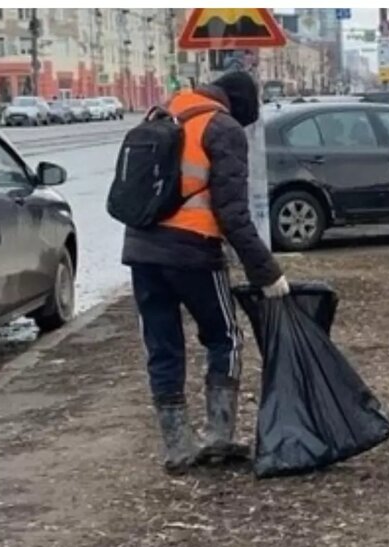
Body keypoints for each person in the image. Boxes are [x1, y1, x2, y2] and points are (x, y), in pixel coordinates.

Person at [121, 71, 291, 474]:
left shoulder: (164, 112)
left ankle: (178, 445)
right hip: (193, 250)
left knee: (162, 345)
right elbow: (232, 214)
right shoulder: (223, 128)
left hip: (141, 250)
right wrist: (268, 273)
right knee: (225, 337)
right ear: (239, 105)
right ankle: (220, 435)